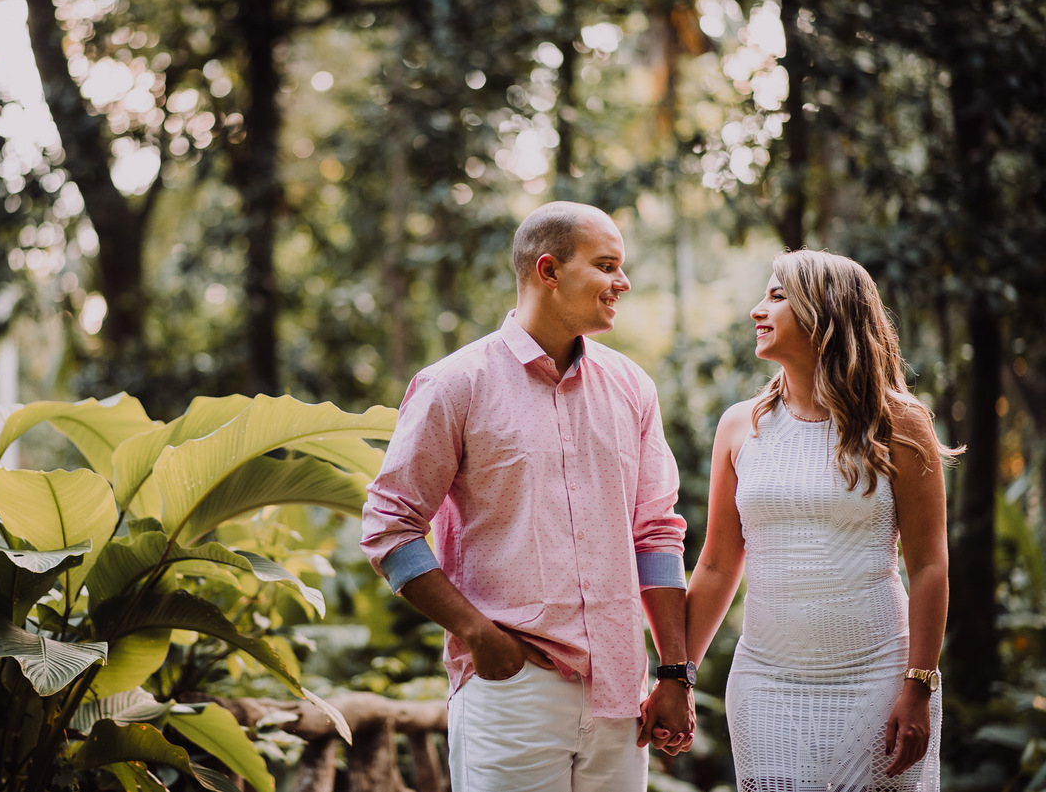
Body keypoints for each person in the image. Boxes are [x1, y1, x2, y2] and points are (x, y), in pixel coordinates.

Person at [360, 201, 695, 791]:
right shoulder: (454, 384)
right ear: (549, 270)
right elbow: (390, 526)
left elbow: (657, 534)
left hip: (621, 694)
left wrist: (674, 673)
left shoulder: (633, 388)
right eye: (607, 265)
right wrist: (478, 634)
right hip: (512, 690)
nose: (623, 282)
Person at [685, 249, 958, 790]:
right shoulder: (739, 427)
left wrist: (919, 685)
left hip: (881, 677)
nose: (756, 310)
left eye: (776, 295)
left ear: (824, 312)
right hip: (766, 683)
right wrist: (679, 673)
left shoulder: (900, 423)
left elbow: (928, 564)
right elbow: (717, 563)